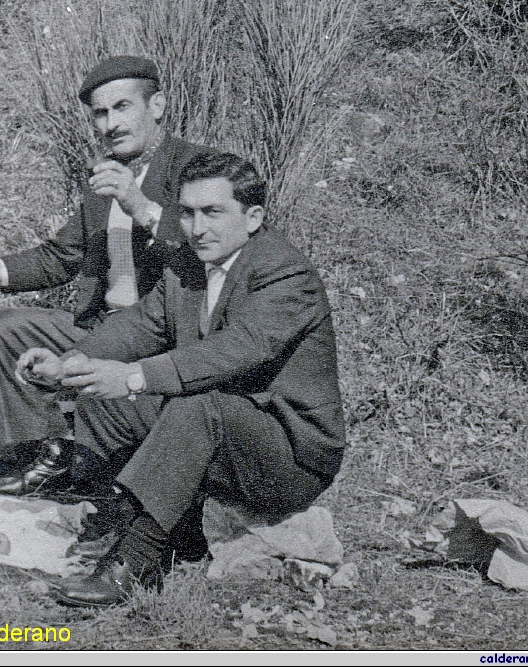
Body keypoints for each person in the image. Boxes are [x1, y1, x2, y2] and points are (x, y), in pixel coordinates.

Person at [18, 151, 344, 607]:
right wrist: (70, 362)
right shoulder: (188, 264)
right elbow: (140, 326)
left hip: (289, 455)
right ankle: (130, 522)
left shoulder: (285, 273)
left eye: (213, 212)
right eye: (187, 213)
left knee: (194, 402)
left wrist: (133, 377)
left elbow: (232, 352)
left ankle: (135, 562)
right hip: (221, 433)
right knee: (102, 393)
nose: (197, 228)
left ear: (253, 217)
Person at [0, 56, 211, 495]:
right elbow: (60, 257)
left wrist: (139, 205)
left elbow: (210, 253)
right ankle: (34, 461)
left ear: (156, 105)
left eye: (122, 107)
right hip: (104, 325)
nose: (111, 124)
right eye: (100, 114)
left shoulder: (197, 168)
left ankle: (86, 468)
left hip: (162, 338)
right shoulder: (103, 178)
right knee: (10, 329)